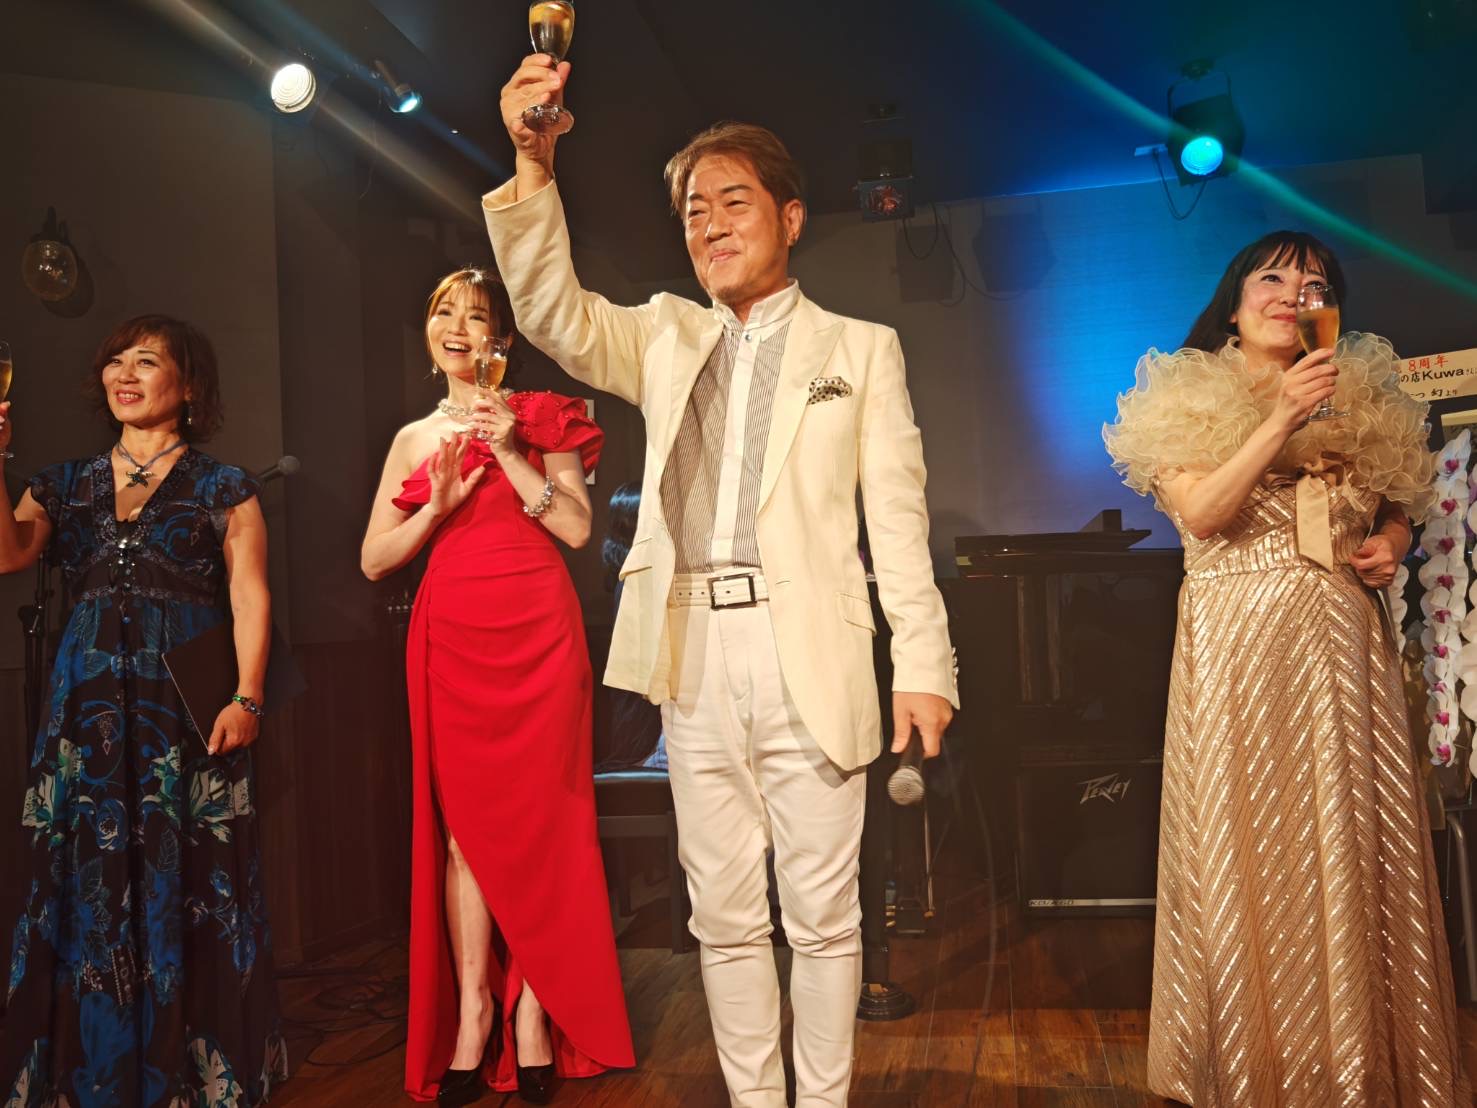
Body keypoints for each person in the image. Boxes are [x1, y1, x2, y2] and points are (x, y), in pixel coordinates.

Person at [486, 59, 958, 1108]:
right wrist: (532, 161)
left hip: (811, 649)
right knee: (725, 916)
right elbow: (550, 311)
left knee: (824, 916)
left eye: (732, 202)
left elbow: (898, 522)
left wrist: (923, 664)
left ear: (789, 218)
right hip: (692, 650)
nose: (709, 225)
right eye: (694, 211)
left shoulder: (859, 350)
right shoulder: (663, 334)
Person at [1103, 231, 1471, 1105]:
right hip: (1239, 646)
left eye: (1313, 284)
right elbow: (1200, 513)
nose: (1292, 294)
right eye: (1270, 278)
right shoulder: (1186, 395)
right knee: (1252, 851)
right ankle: (1255, 1069)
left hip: (1343, 646)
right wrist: (1280, 419)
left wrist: (1389, 542)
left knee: (1352, 847)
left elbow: (1398, 508)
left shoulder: (1362, 395)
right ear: (1233, 307)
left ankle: (1359, 1067)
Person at [361, 268, 633, 1106]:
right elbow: (373, 559)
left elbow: (577, 529)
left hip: (539, 631)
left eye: (476, 316)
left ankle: (535, 1010)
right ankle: (475, 1012)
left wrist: (511, 448)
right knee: (464, 838)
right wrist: (434, 507)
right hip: (452, 636)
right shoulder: (413, 438)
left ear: (503, 341)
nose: (457, 326)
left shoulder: (545, 417)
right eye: (443, 311)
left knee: (548, 824)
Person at [0, 315, 288, 1105]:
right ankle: (91, 1067)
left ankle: (190, 1070)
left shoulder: (224, 486)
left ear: (188, 386)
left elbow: (249, 595)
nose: (124, 374)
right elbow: (9, 553)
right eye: (115, 362)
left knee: (190, 875)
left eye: (147, 361)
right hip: (86, 708)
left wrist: (248, 695)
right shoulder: (64, 482)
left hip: (183, 709)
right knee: (85, 877)